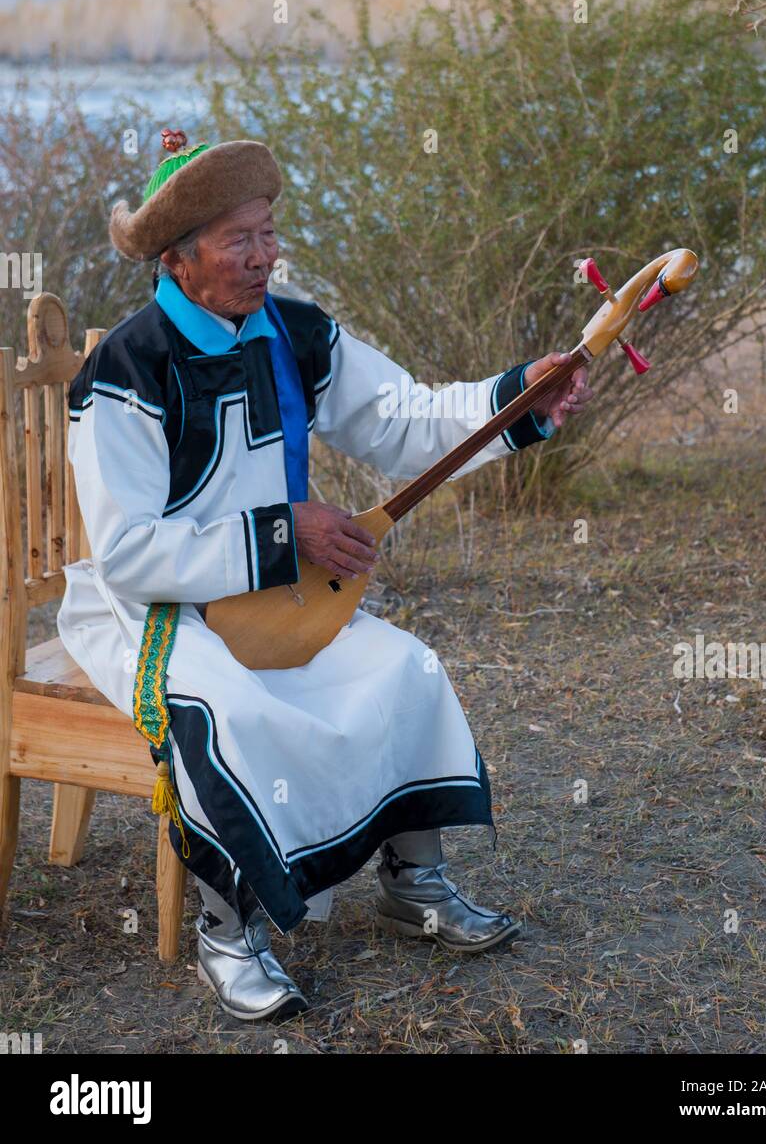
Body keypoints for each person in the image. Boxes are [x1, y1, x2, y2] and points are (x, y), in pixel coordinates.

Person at [57, 128, 595, 1022]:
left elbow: (404, 416)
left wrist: (515, 398)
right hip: (154, 611)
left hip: (280, 596)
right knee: (231, 710)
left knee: (405, 667)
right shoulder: (127, 367)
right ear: (179, 258)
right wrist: (284, 530)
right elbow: (126, 550)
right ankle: (230, 932)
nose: (266, 256)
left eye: (269, 232)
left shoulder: (296, 335)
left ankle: (412, 883)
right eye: (242, 240)